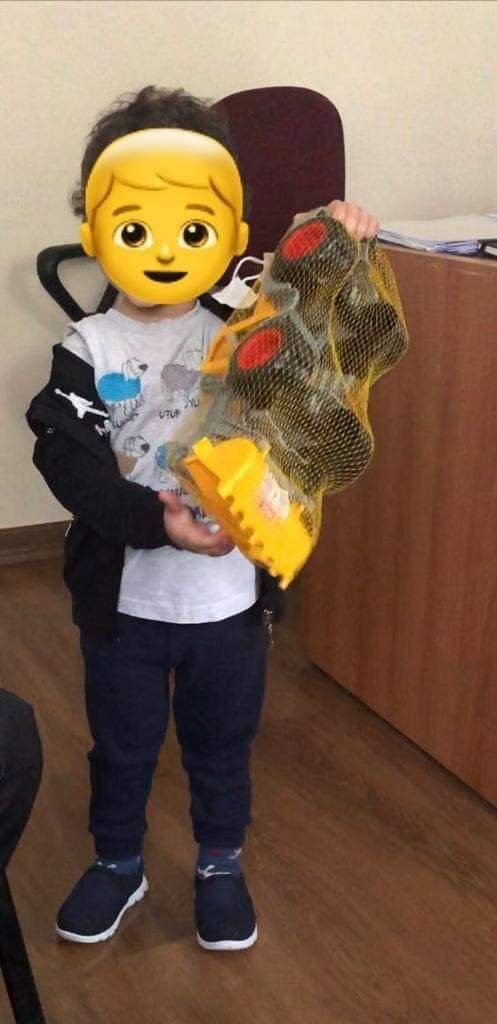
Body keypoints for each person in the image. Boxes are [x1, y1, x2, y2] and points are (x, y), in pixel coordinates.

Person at [26, 85, 379, 950]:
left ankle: (220, 862)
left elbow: (324, 333)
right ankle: (119, 862)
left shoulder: (246, 324)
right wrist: (154, 521)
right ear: (96, 230)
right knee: (122, 745)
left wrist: (336, 241)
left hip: (226, 606)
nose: (162, 249)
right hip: (125, 607)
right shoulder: (87, 351)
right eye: (135, 228)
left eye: (190, 229)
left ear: (224, 232)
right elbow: (65, 461)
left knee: (221, 743)